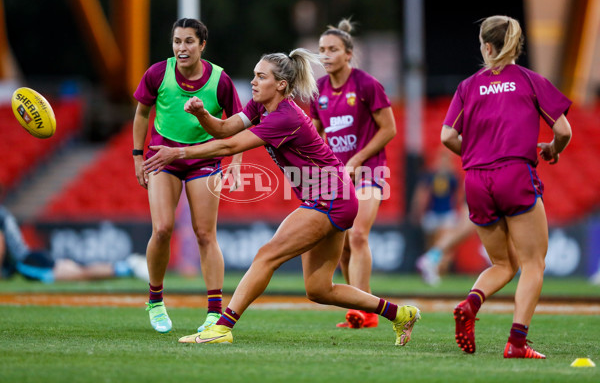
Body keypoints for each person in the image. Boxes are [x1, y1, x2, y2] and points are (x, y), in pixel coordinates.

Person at [144, 48, 421, 346]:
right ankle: (400, 313)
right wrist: (202, 114)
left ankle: (222, 327)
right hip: (333, 197)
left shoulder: (285, 117)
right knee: (319, 290)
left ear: (280, 85)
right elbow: (224, 129)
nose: (253, 82)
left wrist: (179, 152)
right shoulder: (260, 107)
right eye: (253, 75)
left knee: (266, 255)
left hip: (330, 198)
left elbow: (229, 147)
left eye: (261, 77)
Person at [441, 15, 572, 359]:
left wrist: (474, 154)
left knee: (502, 263)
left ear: (486, 46)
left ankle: (471, 303)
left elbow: (447, 136)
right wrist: (553, 151)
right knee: (533, 263)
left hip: (477, 180)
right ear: (516, 45)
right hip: (514, 174)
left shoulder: (468, 86)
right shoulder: (530, 81)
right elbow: (564, 131)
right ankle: (516, 342)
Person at [132, 18, 243, 334]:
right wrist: (138, 156)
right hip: (161, 158)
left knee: (205, 234)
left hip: (203, 160)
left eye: (189, 41)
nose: (182, 48)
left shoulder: (220, 80)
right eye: (177, 41)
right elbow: (141, 112)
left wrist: (235, 161)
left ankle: (214, 312)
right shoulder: (157, 73)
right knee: (163, 228)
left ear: (202, 45)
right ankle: (155, 300)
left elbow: (238, 123)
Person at [309, 19, 397, 329]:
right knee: (343, 244)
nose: (326, 55)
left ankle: (368, 311)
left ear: (348, 54)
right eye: (321, 50)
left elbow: (389, 128)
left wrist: (358, 158)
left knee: (358, 234)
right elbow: (316, 131)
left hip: (369, 170)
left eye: (332, 49)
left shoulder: (366, 85)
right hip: (337, 175)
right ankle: (361, 308)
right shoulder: (317, 90)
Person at [0, 206, 149, 283]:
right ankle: (125, 267)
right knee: (79, 272)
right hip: (30, 259)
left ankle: (126, 267)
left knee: (79, 274)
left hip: (26, 263)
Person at [412, 151, 475, 285]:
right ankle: (431, 267)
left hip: (447, 213)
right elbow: (423, 194)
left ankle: (437, 270)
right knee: (434, 243)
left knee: (443, 242)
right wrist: (419, 210)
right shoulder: (431, 175)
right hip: (433, 213)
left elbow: (457, 196)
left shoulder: (452, 176)